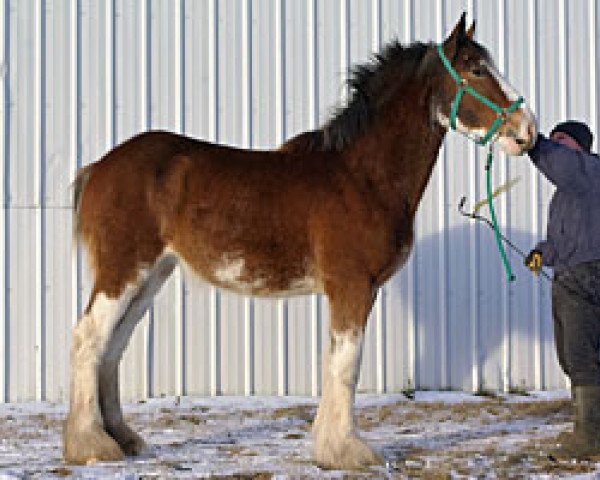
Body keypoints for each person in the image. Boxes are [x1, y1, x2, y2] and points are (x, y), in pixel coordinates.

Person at [525, 120, 600, 459]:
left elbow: (560, 162)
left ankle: (587, 441)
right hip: (567, 277)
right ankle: (588, 427)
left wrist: (534, 141)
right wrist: (543, 252)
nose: (555, 144)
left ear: (580, 146)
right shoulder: (567, 192)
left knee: (582, 356)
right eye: (552, 138)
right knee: (571, 356)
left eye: (562, 139)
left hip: (586, 276)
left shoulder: (589, 170)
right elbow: (559, 239)